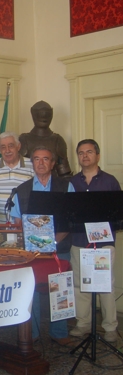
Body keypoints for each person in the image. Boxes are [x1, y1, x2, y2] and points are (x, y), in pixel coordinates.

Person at [9, 147, 75, 345]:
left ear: (52, 163)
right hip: (33, 251)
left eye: (45, 159)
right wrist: (35, 244)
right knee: (33, 290)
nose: (40, 163)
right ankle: (33, 332)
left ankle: (59, 333)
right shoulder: (22, 189)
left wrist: (53, 242)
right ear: (32, 163)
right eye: (36, 159)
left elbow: (71, 219)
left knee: (60, 289)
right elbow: (17, 221)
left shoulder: (66, 186)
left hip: (59, 247)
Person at [69, 139, 120, 342]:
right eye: (81, 153)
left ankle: (110, 327)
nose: (85, 156)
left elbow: (118, 213)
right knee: (79, 284)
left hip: (103, 243)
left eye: (89, 152)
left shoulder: (110, 181)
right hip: (79, 240)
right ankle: (83, 324)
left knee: (105, 285)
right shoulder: (72, 182)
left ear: (97, 155)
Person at [0, 132, 34, 222]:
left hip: (25, 223)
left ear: (18, 146)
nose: (7, 150)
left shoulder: (32, 165)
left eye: (11, 146)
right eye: (3, 147)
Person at [19, 101, 72, 178]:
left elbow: (64, 172)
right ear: (33, 114)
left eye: (47, 114)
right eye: (40, 114)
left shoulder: (57, 140)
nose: (43, 116)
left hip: (52, 183)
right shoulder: (24, 139)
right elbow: (18, 169)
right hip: (28, 181)